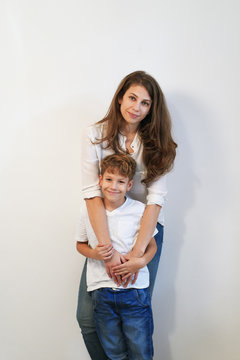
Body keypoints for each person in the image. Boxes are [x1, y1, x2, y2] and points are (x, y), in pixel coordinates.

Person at [76, 70, 177, 359]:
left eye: (145, 103)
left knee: (135, 318)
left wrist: (136, 255)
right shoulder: (94, 134)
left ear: (151, 109)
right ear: (120, 97)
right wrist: (108, 253)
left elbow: (155, 199)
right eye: (132, 98)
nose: (137, 107)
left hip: (143, 233)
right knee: (87, 318)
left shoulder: (158, 143)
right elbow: (90, 192)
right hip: (102, 227)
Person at [76, 154, 157, 359]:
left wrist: (141, 261)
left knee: (141, 348)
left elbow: (152, 246)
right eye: (109, 179)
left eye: (121, 182)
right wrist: (94, 253)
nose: (114, 186)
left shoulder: (139, 210)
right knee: (113, 350)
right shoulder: (88, 211)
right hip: (101, 291)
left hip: (134, 292)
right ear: (100, 180)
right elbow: (80, 245)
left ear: (129, 185)